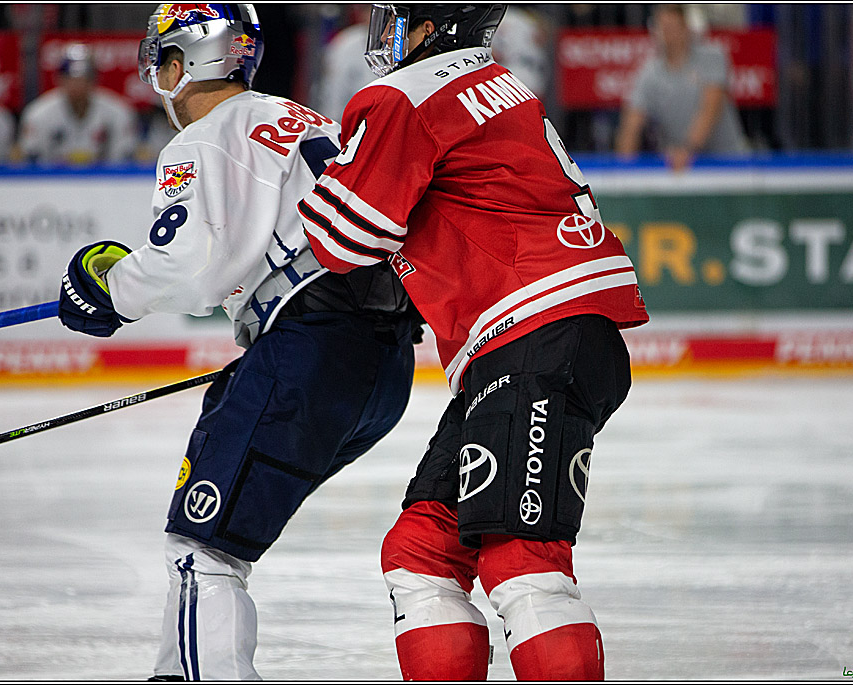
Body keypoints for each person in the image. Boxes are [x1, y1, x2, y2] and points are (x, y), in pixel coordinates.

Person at [56, 4, 417, 680]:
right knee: (214, 530)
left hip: (309, 346)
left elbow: (189, 266)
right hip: (381, 360)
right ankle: (176, 669)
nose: (156, 74)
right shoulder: (309, 119)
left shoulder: (202, 139)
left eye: (163, 57)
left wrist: (109, 291)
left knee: (202, 549)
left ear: (191, 61)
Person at [298, 4, 648, 681]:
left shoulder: (404, 93)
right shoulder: (494, 82)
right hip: (548, 338)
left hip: (534, 336)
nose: (386, 32)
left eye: (399, 18)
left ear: (433, 26)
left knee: (523, 561)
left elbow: (341, 239)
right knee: (422, 550)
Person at [615, 3, 749, 171]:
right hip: (679, 166)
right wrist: (623, 170)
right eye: (662, 27)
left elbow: (711, 108)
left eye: (671, 27)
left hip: (726, 163)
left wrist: (687, 149)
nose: (666, 34)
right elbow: (631, 124)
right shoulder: (649, 73)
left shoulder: (711, 56)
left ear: (686, 28)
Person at [18, 43, 138, 165]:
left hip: (105, 181)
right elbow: (33, 162)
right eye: (71, 79)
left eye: (84, 79)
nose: (77, 85)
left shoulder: (118, 111)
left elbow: (123, 161)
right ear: (59, 79)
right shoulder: (39, 113)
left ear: (94, 79)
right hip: (52, 182)